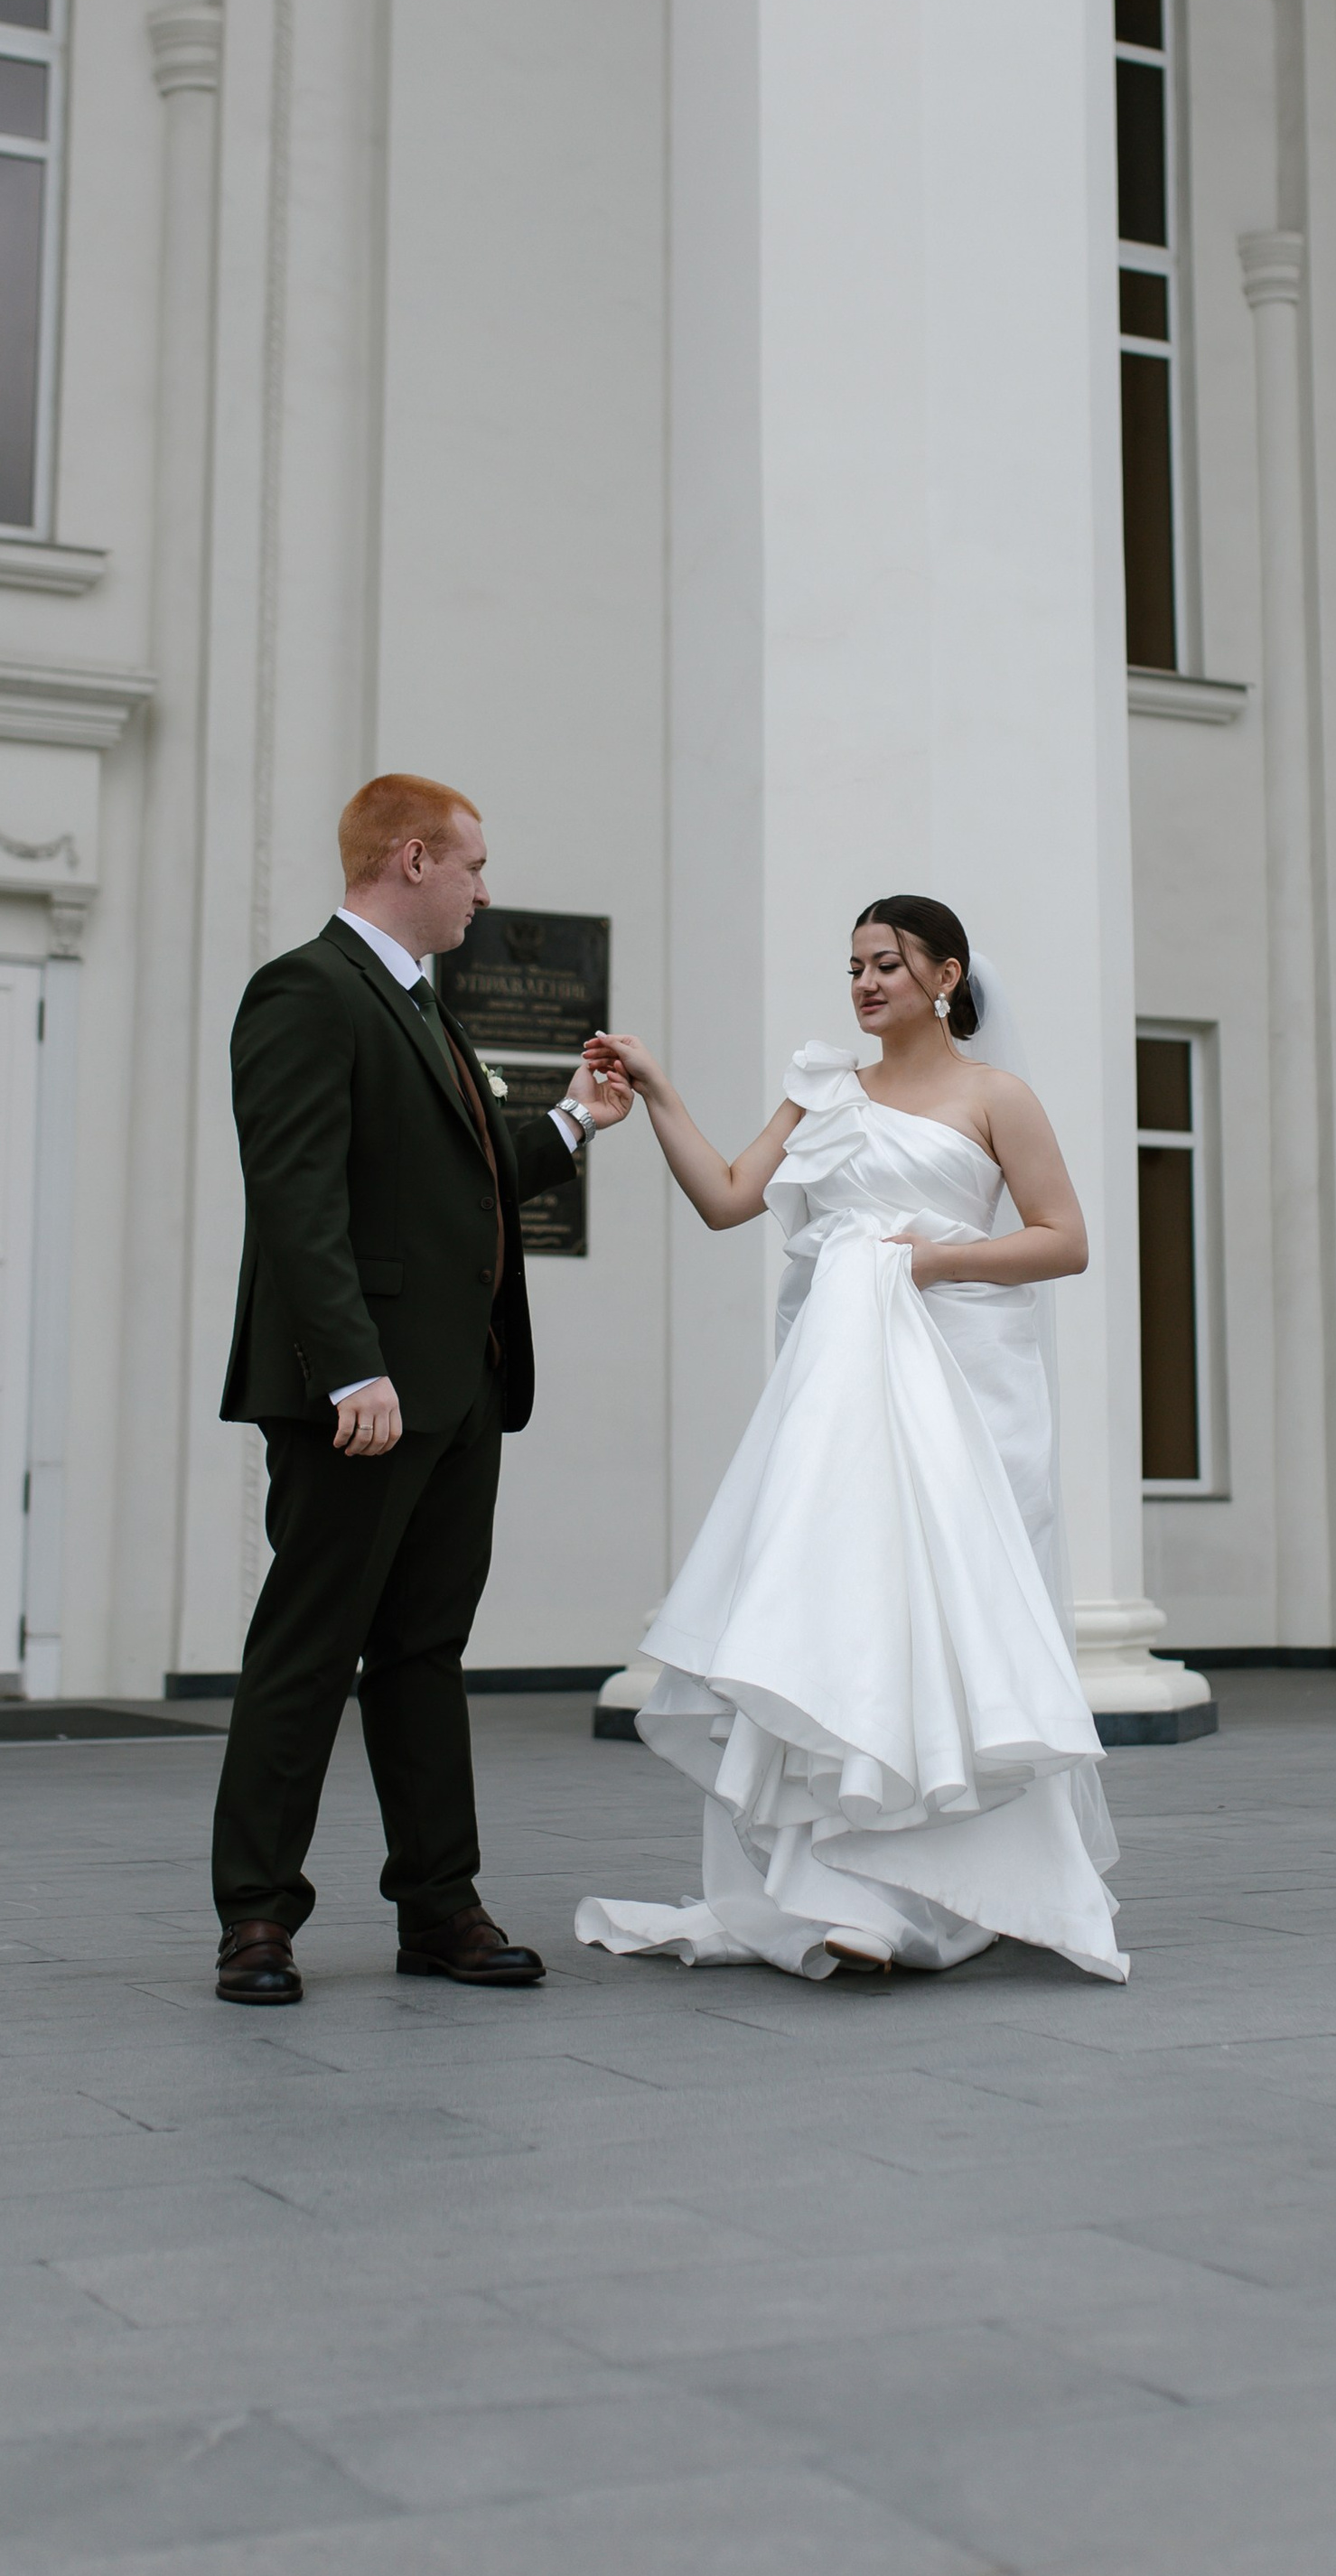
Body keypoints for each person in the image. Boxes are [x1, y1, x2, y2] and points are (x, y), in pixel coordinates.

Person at [576, 897, 1126, 1983]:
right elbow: (730, 1200)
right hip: (839, 1398)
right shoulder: (824, 1088)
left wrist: (923, 1264)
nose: (866, 983)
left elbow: (1063, 1243)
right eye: (855, 966)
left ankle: (961, 1892)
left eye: (888, 965)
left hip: (965, 1385)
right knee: (841, 1612)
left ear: (945, 975)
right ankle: (840, 1892)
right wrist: (659, 1096)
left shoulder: (994, 1097)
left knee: (953, 1624)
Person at [210, 774, 631, 2006]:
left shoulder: (422, 1010)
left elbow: (468, 1172)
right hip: (361, 1394)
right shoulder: (305, 990)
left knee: (423, 1655)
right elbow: (297, 1194)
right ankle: (256, 1920)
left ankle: (439, 1908)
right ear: (411, 859)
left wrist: (577, 1123)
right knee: (308, 1647)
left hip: (458, 1392)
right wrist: (351, 1366)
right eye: (474, 868)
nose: (485, 893)